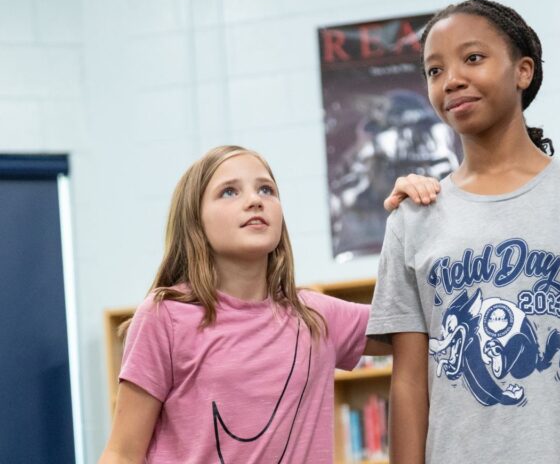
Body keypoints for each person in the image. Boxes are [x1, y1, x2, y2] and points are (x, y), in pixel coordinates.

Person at [368, 0, 560, 464]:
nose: (452, 79)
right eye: (434, 71)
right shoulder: (412, 218)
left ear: (523, 71)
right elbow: (410, 381)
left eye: (472, 58)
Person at [98, 145, 438, 463]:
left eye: (266, 190)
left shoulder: (317, 316)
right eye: (229, 191)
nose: (255, 201)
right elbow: (122, 454)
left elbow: (428, 320)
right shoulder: (165, 316)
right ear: (195, 222)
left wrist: (424, 216)